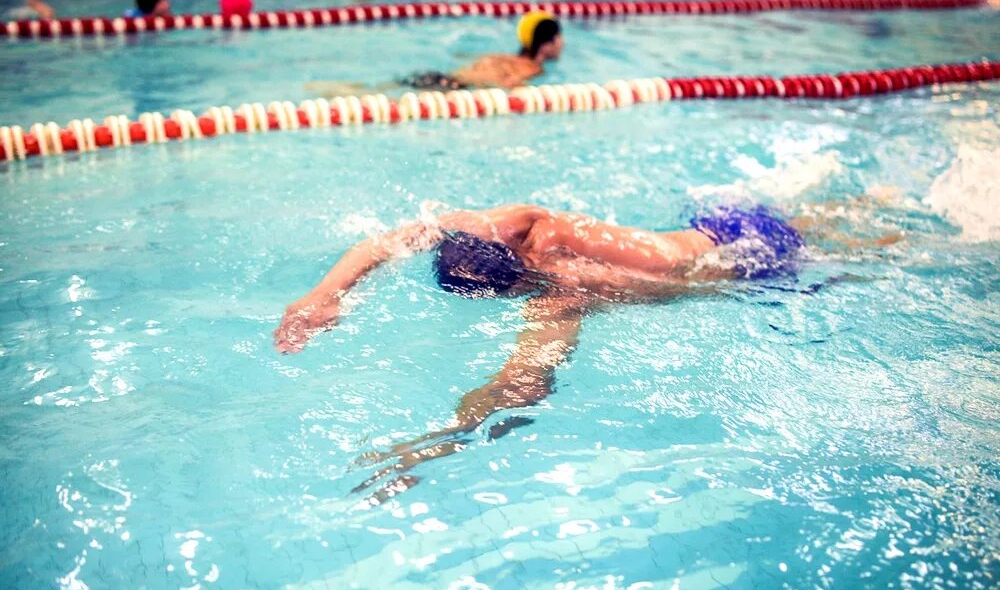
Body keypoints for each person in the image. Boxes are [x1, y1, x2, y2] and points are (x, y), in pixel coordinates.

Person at [273, 203, 898, 500]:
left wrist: (439, 442)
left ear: (516, 285)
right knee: (836, 221)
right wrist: (324, 294)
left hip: (755, 264)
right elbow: (397, 236)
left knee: (876, 247)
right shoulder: (519, 221)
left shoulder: (563, 289)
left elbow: (525, 385)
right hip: (719, 223)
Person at [304, 11, 563, 97]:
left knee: (376, 90)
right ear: (546, 45)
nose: (562, 45)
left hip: (441, 76)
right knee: (378, 98)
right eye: (559, 39)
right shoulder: (533, 69)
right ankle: (337, 91)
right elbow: (506, 86)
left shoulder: (502, 56)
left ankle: (332, 88)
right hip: (452, 87)